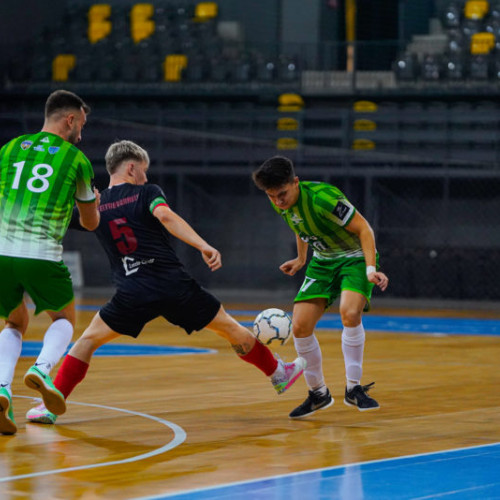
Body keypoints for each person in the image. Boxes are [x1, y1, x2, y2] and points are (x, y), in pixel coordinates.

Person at [26, 140, 305, 425]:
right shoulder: (147, 192)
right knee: (230, 328)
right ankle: (278, 373)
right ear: (132, 167)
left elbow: (52, 220)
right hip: (173, 284)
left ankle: (51, 405)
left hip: (132, 291)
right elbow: (165, 216)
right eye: (144, 171)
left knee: (86, 341)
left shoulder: (94, 209)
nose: (146, 177)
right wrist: (203, 245)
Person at [252, 156, 389, 419]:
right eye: (271, 196)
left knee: (349, 313)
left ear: (295, 182)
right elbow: (300, 225)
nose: (278, 201)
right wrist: (302, 259)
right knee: (300, 326)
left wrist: (371, 269)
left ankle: (353, 387)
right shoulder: (279, 202)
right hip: (323, 261)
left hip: (355, 258)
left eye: (282, 194)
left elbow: (365, 229)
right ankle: (318, 394)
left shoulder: (323, 198)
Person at [0, 90, 100, 435]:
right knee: (65, 319)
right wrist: (94, 204)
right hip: (40, 253)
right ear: (69, 119)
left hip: (1, 253)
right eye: (81, 125)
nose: (81, 134)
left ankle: (1, 390)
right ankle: (42, 370)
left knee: (14, 323)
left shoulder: (10, 148)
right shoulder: (77, 160)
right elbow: (90, 223)